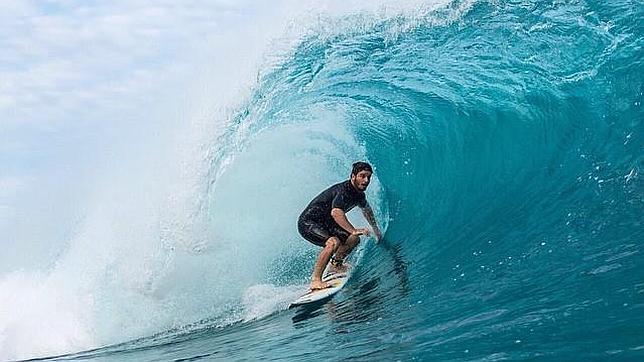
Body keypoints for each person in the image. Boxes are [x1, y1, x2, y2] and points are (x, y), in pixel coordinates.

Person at [297, 161, 382, 290]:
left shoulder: (359, 194)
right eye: (362, 176)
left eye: (368, 177)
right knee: (333, 242)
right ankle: (315, 280)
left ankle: (335, 265)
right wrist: (353, 230)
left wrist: (376, 229)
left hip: (326, 223)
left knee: (353, 239)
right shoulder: (344, 191)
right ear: (353, 176)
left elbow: (366, 210)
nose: (366, 180)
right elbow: (336, 212)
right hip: (309, 222)